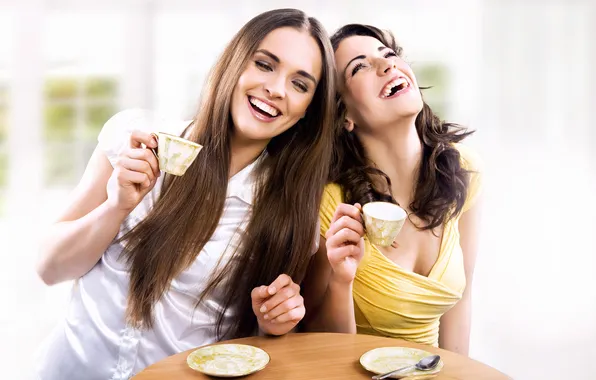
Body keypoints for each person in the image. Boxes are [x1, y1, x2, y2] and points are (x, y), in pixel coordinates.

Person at [34, 8, 336, 379]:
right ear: (235, 61)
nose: (276, 89)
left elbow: (254, 346)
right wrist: (115, 207)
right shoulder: (137, 139)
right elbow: (49, 268)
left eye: (300, 84)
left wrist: (272, 324)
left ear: (308, 110)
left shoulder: (290, 212)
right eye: (264, 64)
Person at [302, 24, 483, 355]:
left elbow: (462, 301)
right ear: (345, 116)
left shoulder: (464, 171)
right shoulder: (330, 203)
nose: (387, 65)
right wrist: (341, 282)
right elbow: (317, 338)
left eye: (388, 55)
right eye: (360, 66)